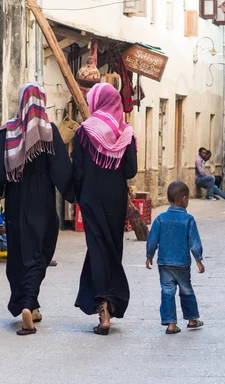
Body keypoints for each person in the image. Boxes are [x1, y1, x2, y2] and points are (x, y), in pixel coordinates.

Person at [0, 82, 73, 336]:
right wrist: (74, 193)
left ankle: (30, 305)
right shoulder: (48, 132)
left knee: (18, 254)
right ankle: (28, 304)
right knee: (39, 254)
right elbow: (62, 171)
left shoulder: (7, 131)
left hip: (15, 204)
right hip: (42, 205)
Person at [72, 83, 138, 336]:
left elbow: (77, 170)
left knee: (98, 247)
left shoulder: (84, 131)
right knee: (112, 248)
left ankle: (103, 308)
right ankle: (108, 302)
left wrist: (76, 194)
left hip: (90, 197)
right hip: (115, 199)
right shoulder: (126, 133)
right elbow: (130, 170)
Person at [146, 181, 205, 334]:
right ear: (184, 199)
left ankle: (171, 324)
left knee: (167, 291)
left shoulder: (160, 218)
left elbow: (152, 239)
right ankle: (192, 320)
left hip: (164, 263)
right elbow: (194, 242)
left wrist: (149, 255)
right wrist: (198, 260)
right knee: (186, 290)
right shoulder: (188, 219)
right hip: (182, 264)